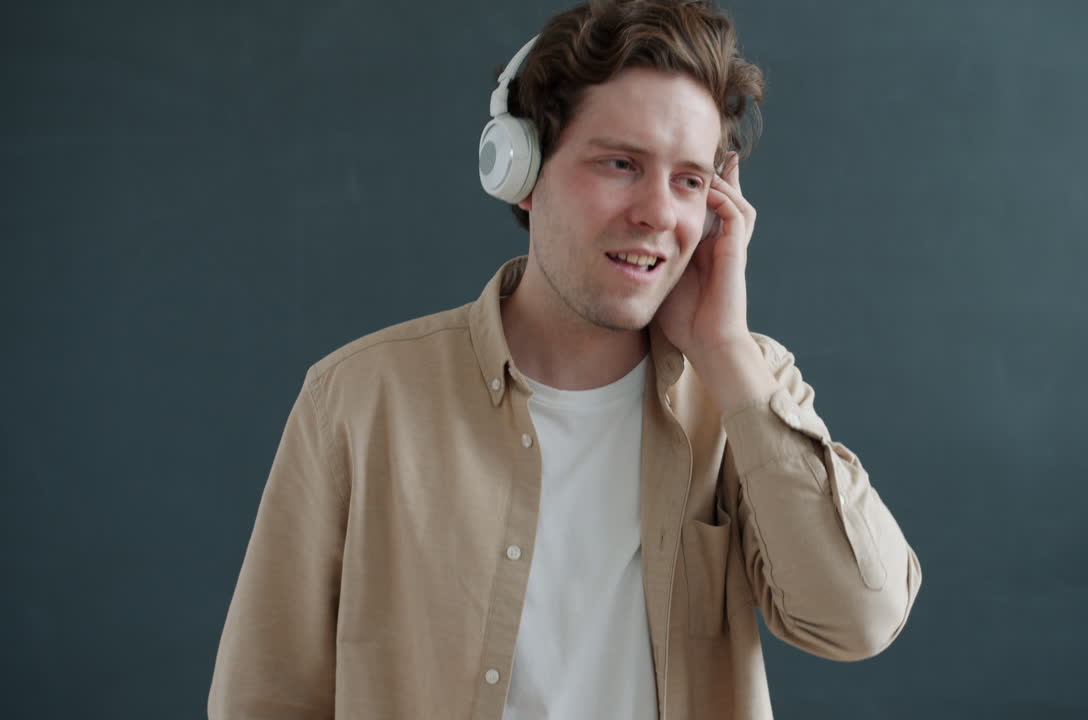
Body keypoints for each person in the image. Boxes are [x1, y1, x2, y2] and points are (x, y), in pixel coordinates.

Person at [208, 1, 922, 718]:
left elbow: (858, 619)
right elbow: (263, 699)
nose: (658, 213)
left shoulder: (741, 384)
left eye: (690, 180)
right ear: (517, 169)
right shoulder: (356, 401)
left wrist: (726, 353)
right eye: (620, 163)